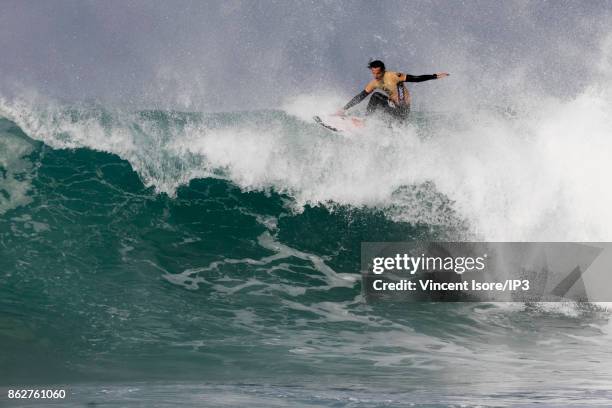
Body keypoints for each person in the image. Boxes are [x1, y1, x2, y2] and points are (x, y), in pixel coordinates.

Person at [339, 60, 449, 122]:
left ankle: (365, 121)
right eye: (373, 73)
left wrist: (434, 76)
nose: (376, 75)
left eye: (378, 73)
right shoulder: (374, 83)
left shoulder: (394, 76)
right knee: (376, 97)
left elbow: (416, 78)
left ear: (383, 71)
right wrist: (344, 108)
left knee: (378, 95)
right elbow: (361, 96)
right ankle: (367, 121)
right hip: (394, 109)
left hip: (403, 111)